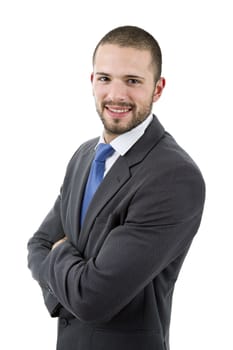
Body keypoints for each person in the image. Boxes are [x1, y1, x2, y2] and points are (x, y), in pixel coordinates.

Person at [27, 25, 206, 350]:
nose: (117, 95)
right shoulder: (84, 156)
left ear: (158, 88)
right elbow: (37, 244)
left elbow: (93, 298)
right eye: (105, 78)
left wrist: (59, 253)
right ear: (92, 81)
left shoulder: (174, 177)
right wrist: (70, 275)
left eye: (133, 81)